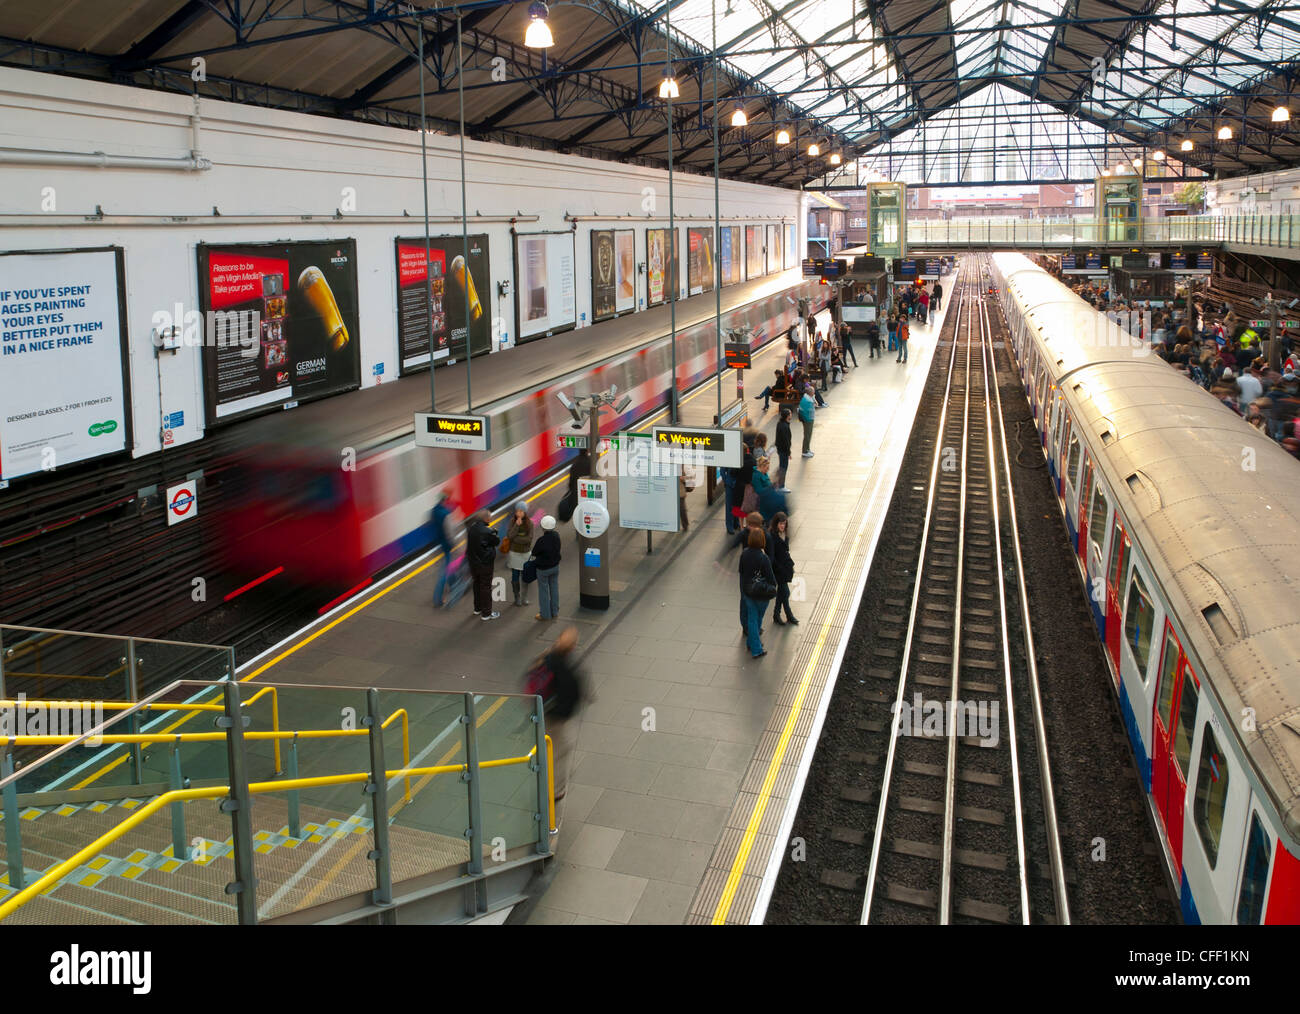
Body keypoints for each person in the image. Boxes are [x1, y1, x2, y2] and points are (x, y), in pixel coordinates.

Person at [534, 626, 585, 800]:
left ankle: (546, 777)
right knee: (561, 749)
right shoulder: (566, 667)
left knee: (552, 746)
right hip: (555, 715)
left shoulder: (547, 656)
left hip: (543, 710)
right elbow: (572, 692)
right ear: (572, 647)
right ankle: (555, 790)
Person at [739, 528, 776, 659]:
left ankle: (750, 643)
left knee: (752, 619)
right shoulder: (763, 558)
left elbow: (741, 572)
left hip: (748, 592)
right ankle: (756, 650)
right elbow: (771, 578)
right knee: (756, 620)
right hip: (761, 595)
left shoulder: (744, 553)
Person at [465, 509, 501, 620]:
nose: (490, 519)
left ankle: (477, 608)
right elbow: (496, 541)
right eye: (490, 517)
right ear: (486, 519)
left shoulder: (472, 528)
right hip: (485, 564)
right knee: (486, 587)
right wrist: (494, 532)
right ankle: (486, 613)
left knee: (476, 584)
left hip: (473, 563)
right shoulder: (487, 531)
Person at [766, 512, 797, 625]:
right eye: (780, 524)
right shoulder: (772, 537)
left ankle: (777, 614)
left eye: (784, 524)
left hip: (785, 568)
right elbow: (772, 556)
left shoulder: (784, 535)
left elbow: (785, 551)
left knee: (782, 593)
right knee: (786, 593)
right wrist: (780, 568)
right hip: (778, 570)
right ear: (776, 524)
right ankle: (789, 615)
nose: (782, 526)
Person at [531, 515, 562, 621]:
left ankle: (545, 614)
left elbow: (534, 552)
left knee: (543, 591)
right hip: (555, 567)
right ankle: (555, 611)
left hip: (543, 569)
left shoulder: (541, 540)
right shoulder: (557, 536)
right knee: (554, 588)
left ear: (543, 527)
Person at [430, 491, 457, 608]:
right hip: (446, 544)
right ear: (445, 500)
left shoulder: (434, 510)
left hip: (438, 543)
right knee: (445, 571)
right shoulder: (446, 514)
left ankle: (452, 584)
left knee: (448, 565)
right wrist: (454, 544)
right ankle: (438, 599)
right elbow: (449, 532)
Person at [505, 501, 534, 607]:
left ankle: (524, 597)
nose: (519, 513)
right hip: (514, 553)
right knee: (515, 576)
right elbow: (509, 536)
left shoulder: (529, 523)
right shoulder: (512, 522)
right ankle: (516, 597)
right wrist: (516, 526)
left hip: (525, 553)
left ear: (525, 512)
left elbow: (529, 539)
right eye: (517, 511)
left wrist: (516, 539)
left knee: (525, 576)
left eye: (521, 511)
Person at [775, 408, 792, 488]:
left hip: (780, 449)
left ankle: (780, 484)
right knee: (783, 467)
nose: (791, 414)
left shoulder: (780, 423)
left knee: (782, 467)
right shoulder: (784, 426)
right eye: (790, 413)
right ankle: (781, 485)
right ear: (787, 416)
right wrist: (788, 452)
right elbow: (786, 441)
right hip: (783, 451)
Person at [798, 384, 816, 458]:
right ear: (811, 393)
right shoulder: (808, 401)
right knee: (807, 435)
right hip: (808, 419)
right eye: (813, 392)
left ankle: (807, 449)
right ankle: (805, 451)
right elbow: (811, 408)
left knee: (808, 435)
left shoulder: (806, 398)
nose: (814, 393)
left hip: (807, 418)